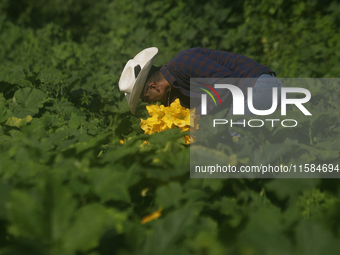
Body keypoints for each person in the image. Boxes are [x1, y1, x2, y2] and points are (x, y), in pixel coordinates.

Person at [119, 47, 283, 116]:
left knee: (237, 140)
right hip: (246, 98)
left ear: (154, 88)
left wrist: (198, 116)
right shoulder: (175, 94)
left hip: (259, 86)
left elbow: (227, 83)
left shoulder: (184, 61)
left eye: (146, 99)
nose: (151, 104)